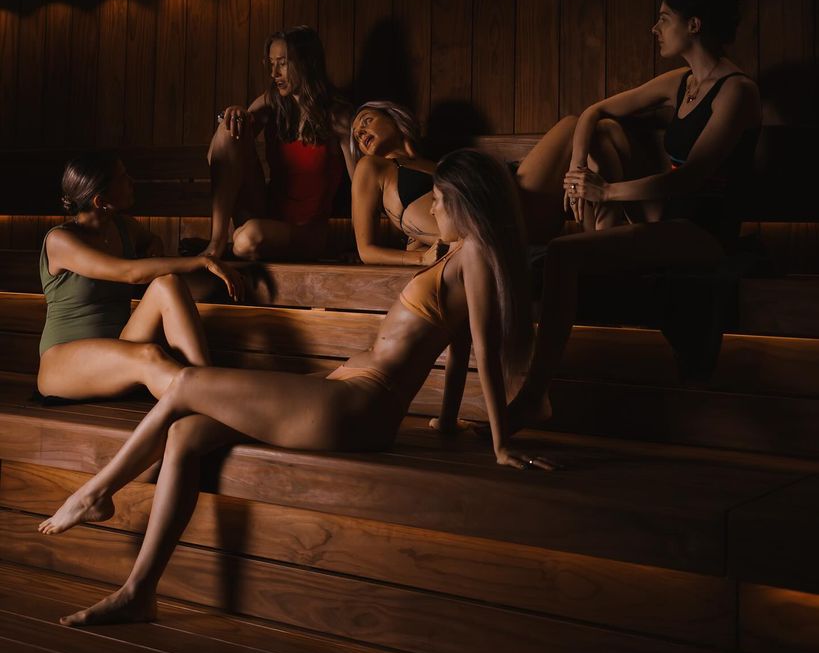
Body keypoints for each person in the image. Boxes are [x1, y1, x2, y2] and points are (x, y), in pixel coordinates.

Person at [39, 149, 558, 627]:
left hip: (359, 407)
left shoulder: (477, 258)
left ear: (467, 204)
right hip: (347, 391)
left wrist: (500, 442)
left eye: (441, 200)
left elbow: (485, 350)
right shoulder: (460, 252)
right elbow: (460, 341)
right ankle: (139, 592)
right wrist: (445, 420)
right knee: (187, 436)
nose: (432, 209)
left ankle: (96, 491)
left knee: (188, 384)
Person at [508, 0, 761, 429]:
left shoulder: (737, 92)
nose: (654, 28)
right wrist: (578, 167)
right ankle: (531, 383)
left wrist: (605, 190)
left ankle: (533, 392)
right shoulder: (680, 83)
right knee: (602, 131)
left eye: (663, 18)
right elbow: (594, 111)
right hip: (662, 216)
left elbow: (693, 177)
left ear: (693, 25)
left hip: (702, 231)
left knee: (563, 254)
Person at [38, 152, 243, 402]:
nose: (132, 182)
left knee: (167, 283)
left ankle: (207, 379)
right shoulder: (61, 240)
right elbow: (129, 273)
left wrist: (153, 243)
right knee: (150, 355)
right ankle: (219, 402)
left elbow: (149, 240)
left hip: (120, 346)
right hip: (64, 363)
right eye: (123, 178)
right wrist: (203, 260)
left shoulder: (124, 227)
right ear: (100, 200)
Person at [350, 100, 577, 264]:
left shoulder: (434, 163)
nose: (360, 133)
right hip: (494, 233)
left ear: (393, 118)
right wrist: (418, 258)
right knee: (571, 126)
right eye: (356, 136)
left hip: (505, 213)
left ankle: (593, 239)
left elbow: (421, 223)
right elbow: (366, 250)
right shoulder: (370, 167)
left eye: (366, 121)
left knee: (590, 132)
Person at [202, 25, 354, 261]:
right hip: (265, 218)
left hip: (306, 233)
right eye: (271, 63)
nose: (274, 73)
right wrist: (232, 116)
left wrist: (362, 247)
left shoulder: (337, 117)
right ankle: (215, 244)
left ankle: (234, 243)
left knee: (246, 239)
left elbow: (362, 186)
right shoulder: (272, 103)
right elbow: (216, 155)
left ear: (305, 63)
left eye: (282, 63)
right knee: (231, 125)